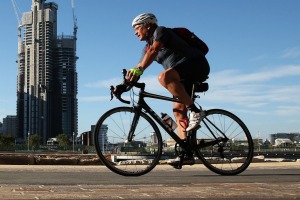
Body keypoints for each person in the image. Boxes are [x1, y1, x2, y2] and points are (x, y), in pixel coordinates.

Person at [127, 13, 210, 166]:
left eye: (137, 28)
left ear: (148, 25)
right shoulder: (146, 48)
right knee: (178, 111)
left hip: (197, 65)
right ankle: (187, 153)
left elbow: (154, 51)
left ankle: (196, 112)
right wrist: (123, 85)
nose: (135, 32)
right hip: (181, 76)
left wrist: (139, 70)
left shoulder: (161, 31)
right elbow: (139, 67)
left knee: (164, 77)